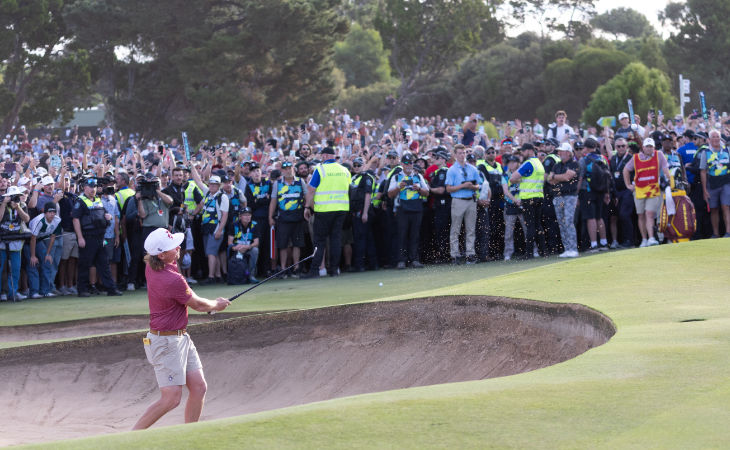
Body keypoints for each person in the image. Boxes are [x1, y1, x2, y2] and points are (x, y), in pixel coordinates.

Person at [133, 228, 231, 430]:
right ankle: (129, 439)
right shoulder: (170, 278)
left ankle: (188, 436)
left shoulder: (157, 265)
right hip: (166, 342)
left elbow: (187, 294)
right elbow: (198, 305)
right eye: (172, 247)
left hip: (179, 338)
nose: (178, 247)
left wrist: (209, 305)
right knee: (171, 398)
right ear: (161, 254)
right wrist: (215, 305)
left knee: (199, 387)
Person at [302, 146, 351, 278]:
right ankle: (334, 270)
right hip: (341, 209)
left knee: (319, 241)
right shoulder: (345, 170)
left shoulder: (320, 169)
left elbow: (311, 189)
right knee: (335, 239)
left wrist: (307, 207)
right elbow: (348, 187)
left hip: (324, 210)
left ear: (325, 156)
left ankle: (314, 271)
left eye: (322, 155)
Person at [71, 177, 123, 297]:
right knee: (85, 264)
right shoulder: (80, 201)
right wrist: (80, 237)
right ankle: (82, 290)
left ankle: (111, 289)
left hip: (100, 237)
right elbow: (75, 219)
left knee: (104, 264)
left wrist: (107, 216)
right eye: (90, 187)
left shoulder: (98, 200)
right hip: (87, 237)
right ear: (84, 188)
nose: (93, 189)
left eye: (94, 187)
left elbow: (102, 214)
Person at [622, 137, 671, 247]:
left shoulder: (659, 155)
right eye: (647, 146)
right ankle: (644, 239)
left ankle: (651, 238)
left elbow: (666, 170)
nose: (649, 149)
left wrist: (669, 180)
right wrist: (628, 185)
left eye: (651, 147)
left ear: (654, 147)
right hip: (639, 190)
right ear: (643, 147)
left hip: (653, 189)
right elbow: (626, 170)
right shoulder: (636, 158)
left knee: (649, 213)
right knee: (640, 215)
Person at [388, 153, 429, 269]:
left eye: (410, 163)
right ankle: (401, 260)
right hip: (402, 209)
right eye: (405, 163)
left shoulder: (418, 176)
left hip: (416, 208)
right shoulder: (396, 177)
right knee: (402, 235)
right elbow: (390, 194)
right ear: (402, 164)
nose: (408, 165)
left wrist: (419, 188)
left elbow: (427, 193)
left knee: (415, 235)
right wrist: (398, 187)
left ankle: (414, 259)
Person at [268, 161, 307, 277]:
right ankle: (283, 269)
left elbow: (306, 197)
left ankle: (296, 267)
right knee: (282, 245)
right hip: (283, 218)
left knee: (297, 244)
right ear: (282, 171)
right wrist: (270, 217)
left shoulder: (300, 181)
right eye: (285, 169)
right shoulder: (277, 183)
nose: (288, 171)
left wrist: (307, 210)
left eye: (289, 168)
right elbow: (273, 201)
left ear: (293, 169)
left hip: (298, 217)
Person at [445, 144, 481, 264]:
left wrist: (473, 186)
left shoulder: (472, 169)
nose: (462, 155)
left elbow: (479, 185)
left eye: (463, 152)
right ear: (455, 155)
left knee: (471, 229)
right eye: (459, 153)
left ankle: (470, 254)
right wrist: (463, 186)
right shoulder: (451, 170)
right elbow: (448, 189)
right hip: (458, 201)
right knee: (455, 229)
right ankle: (454, 255)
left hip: (471, 200)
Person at [576, 138, 610, 252]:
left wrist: (576, 194)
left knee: (591, 218)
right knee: (599, 217)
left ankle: (594, 244)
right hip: (601, 191)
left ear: (586, 148)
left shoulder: (583, 160)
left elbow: (580, 178)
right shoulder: (602, 159)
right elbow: (607, 178)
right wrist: (607, 193)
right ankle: (604, 242)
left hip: (587, 191)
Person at [547, 143, 579, 257]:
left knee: (569, 221)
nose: (559, 153)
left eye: (562, 151)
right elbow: (549, 180)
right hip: (558, 196)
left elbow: (567, 177)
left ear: (569, 153)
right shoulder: (556, 165)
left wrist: (555, 177)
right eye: (559, 151)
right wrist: (558, 177)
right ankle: (567, 249)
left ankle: (573, 248)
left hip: (570, 196)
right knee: (561, 222)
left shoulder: (575, 164)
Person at [0, 185, 30, 302]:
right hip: (2, 240)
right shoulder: (2, 204)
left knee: (16, 269)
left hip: (16, 242)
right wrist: (3, 204)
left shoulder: (21, 205)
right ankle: (2, 292)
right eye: (12, 197)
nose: (14, 199)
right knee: (1, 268)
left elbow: (27, 219)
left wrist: (17, 208)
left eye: (16, 196)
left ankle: (13, 293)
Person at [698, 129, 730, 237]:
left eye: (717, 137)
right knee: (714, 209)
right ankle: (715, 234)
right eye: (713, 137)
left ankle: (728, 232)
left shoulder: (727, 150)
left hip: (726, 182)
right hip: (712, 183)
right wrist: (704, 190)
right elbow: (702, 172)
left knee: (726, 207)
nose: (716, 139)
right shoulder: (705, 152)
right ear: (709, 140)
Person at [199, 175, 229, 284]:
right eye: (210, 184)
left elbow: (224, 215)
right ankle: (218, 276)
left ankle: (211, 277)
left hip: (215, 228)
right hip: (206, 227)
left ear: (218, 186)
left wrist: (220, 230)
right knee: (212, 253)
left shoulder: (222, 197)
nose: (212, 186)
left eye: (214, 184)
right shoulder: (208, 194)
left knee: (211, 253)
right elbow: (198, 180)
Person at [28, 202, 63, 298]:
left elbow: (52, 237)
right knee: (33, 263)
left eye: (54, 212)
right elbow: (32, 238)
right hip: (28, 241)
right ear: (45, 212)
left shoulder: (57, 220)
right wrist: (33, 255)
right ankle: (34, 292)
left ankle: (45, 291)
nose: (52, 214)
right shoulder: (39, 220)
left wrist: (48, 253)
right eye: (50, 212)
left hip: (39, 241)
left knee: (47, 262)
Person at [227, 207, 260, 283]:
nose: (247, 217)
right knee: (231, 251)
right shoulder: (234, 225)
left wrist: (248, 247)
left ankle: (251, 275)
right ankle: (235, 276)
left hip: (248, 248)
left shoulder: (254, 225)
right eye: (245, 215)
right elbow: (230, 242)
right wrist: (235, 248)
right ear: (240, 216)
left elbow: (256, 242)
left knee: (255, 250)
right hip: (236, 249)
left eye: (249, 215)